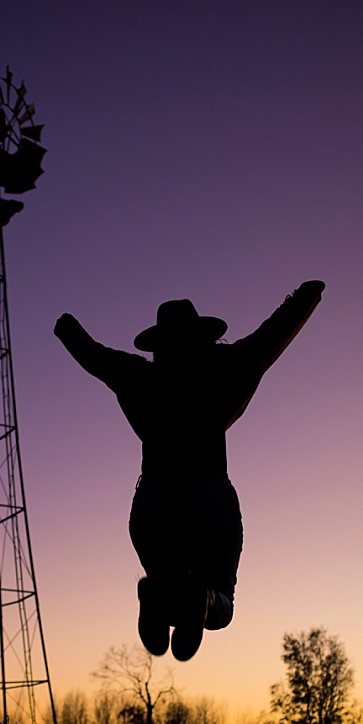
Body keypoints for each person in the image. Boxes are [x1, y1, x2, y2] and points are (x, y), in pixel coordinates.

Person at [54, 280, 323, 662]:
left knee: (166, 587)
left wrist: (65, 325)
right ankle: (198, 600)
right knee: (220, 603)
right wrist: (309, 294)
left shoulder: (137, 375)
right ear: (204, 339)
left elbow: (92, 355)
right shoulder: (227, 368)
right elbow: (274, 334)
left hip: (153, 501)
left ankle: (162, 598)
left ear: (158, 346)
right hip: (207, 494)